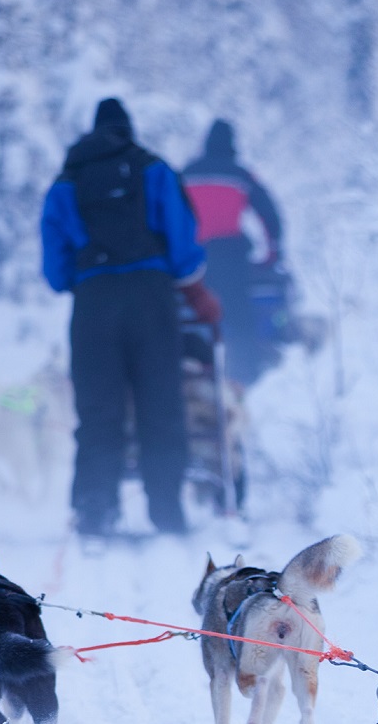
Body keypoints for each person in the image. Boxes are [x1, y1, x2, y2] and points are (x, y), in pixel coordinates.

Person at [41, 98, 221, 536]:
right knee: (160, 406)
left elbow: (55, 270)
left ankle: (95, 510)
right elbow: (182, 246)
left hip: (93, 303)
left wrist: (83, 277)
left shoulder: (66, 182)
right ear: (128, 130)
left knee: (98, 410)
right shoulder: (152, 169)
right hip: (151, 300)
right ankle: (166, 510)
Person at [180, 120, 286, 383]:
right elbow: (269, 214)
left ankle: (196, 377)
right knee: (239, 321)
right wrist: (273, 252)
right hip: (231, 259)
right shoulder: (239, 174)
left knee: (195, 320)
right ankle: (244, 380)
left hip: (195, 260)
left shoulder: (185, 174)